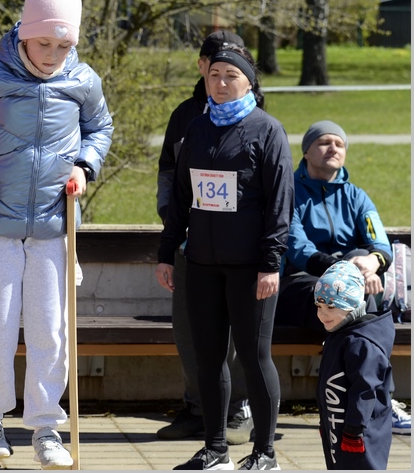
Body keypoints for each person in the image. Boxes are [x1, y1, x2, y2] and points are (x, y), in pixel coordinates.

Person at [0, 0, 113, 468]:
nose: (53, 55)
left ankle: (46, 426)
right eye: (44, 43)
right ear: (24, 33)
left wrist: (84, 166)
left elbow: (101, 128)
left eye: (64, 45)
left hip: (54, 227)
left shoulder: (83, 80)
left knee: (50, 330)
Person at [156, 45, 294, 470]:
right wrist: (166, 253)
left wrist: (270, 263)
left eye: (231, 76)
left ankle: (264, 453)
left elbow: (280, 205)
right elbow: (181, 199)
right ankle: (215, 449)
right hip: (202, 265)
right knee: (208, 358)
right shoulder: (197, 129)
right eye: (214, 74)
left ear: (249, 82)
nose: (220, 83)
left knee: (254, 358)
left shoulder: (267, 130)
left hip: (251, 269)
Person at [274, 120, 411, 435]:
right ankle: (377, 403)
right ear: (306, 152)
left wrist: (372, 262)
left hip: (352, 287)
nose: (333, 148)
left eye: (339, 144)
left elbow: (380, 244)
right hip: (300, 284)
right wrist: (350, 272)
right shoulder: (289, 192)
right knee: (359, 307)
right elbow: (297, 248)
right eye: (324, 142)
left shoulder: (356, 196)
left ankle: (363, 404)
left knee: (359, 296)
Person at [156, 30, 254, 445]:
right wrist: (172, 221)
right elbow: (168, 175)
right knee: (190, 330)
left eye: (235, 68)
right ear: (202, 67)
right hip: (190, 244)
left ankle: (238, 409)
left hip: (239, 248)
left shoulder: (255, 114)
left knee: (237, 334)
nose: (223, 79)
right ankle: (197, 407)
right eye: (216, 68)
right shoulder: (186, 116)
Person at [314, 260, 394, 470]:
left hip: (359, 432)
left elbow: (365, 389)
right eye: (319, 306)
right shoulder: (338, 334)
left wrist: (354, 429)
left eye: (331, 307)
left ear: (352, 305)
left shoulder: (362, 343)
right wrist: (325, 420)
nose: (322, 314)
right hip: (337, 424)